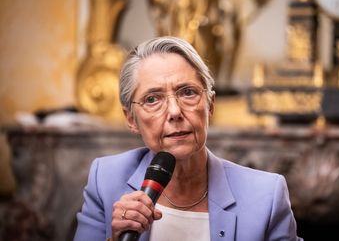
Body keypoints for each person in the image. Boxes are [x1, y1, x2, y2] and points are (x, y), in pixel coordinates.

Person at [73, 36, 303, 241]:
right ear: (131, 119)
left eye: (188, 92)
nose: (174, 112)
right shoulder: (105, 179)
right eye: (153, 99)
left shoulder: (266, 195)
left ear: (210, 105)